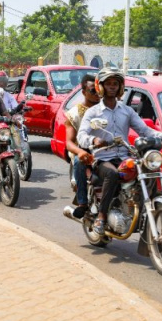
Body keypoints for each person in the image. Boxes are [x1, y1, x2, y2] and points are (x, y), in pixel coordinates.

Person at [77, 68, 162, 235]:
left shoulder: (127, 111)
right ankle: (101, 216)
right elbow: (81, 135)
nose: (112, 87)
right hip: (102, 158)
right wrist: (94, 140)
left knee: (149, 169)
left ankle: (142, 208)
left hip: (125, 155)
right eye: (108, 84)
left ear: (121, 87)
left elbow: (145, 130)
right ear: (100, 87)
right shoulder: (92, 112)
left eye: (115, 84)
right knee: (112, 174)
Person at [65, 74, 101, 218]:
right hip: (84, 151)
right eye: (93, 90)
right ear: (84, 92)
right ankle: (82, 202)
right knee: (80, 161)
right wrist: (80, 152)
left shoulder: (106, 109)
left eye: (99, 89)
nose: (97, 93)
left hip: (105, 150)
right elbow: (69, 142)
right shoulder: (74, 114)